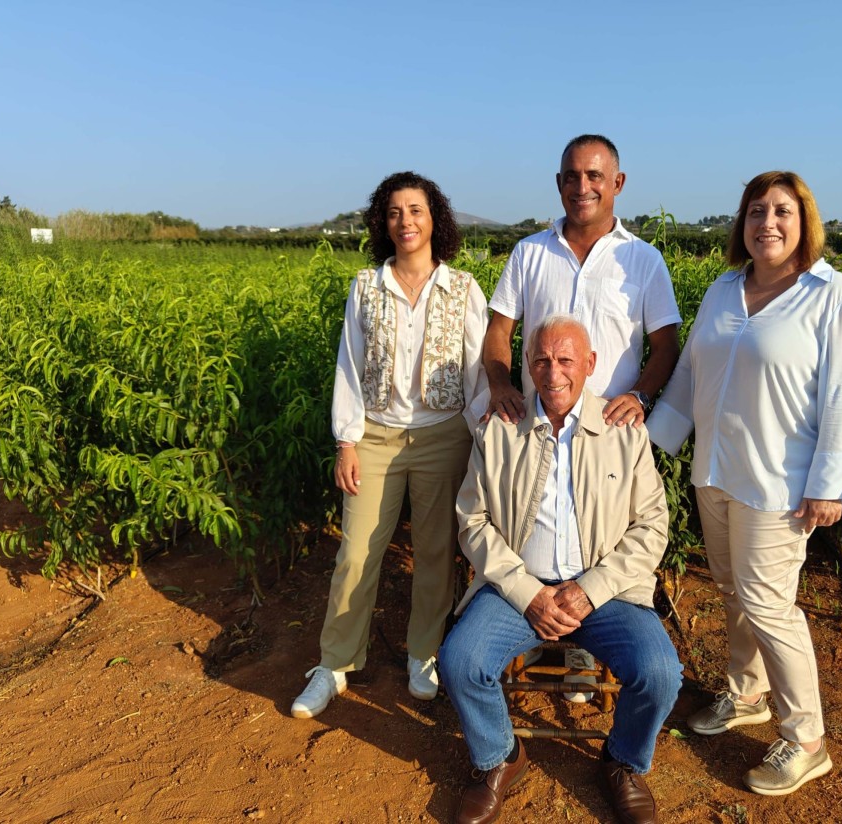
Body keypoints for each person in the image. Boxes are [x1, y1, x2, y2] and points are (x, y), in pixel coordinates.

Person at [646, 171, 842, 796]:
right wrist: (647, 447)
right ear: (740, 225)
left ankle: (806, 738)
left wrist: (829, 483)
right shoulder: (724, 291)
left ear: (804, 222)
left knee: (769, 605)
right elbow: (690, 377)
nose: (767, 224)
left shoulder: (832, 297)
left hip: (781, 484)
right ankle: (746, 694)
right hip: (716, 474)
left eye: (781, 212)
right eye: (755, 212)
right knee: (730, 589)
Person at [440, 316, 682, 824]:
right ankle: (500, 759)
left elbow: (651, 527)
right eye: (543, 360)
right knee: (460, 661)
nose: (554, 373)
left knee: (660, 674)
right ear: (527, 366)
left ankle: (622, 763)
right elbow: (473, 520)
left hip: (605, 592)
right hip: (517, 591)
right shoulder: (500, 427)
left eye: (567, 359)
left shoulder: (624, 432)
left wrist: (590, 590)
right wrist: (527, 591)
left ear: (590, 365)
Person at [482, 133, 682, 698]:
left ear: (617, 184)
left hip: (610, 438)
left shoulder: (641, 260)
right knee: (536, 534)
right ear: (559, 184)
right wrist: (500, 383)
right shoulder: (530, 252)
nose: (583, 186)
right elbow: (500, 331)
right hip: (536, 428)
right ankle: (525, 637)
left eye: (596, 176)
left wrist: (639, 396)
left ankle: (584, 649)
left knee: (596, 545)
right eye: (572, 176)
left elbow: (666, 345)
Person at [291, 171, 488, 718]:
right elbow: (348, 367)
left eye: (416, 211)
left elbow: (478, 374)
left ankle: (423, 654)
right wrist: (346, 441)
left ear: (435, 219)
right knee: (356, 552)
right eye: (396, 212)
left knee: (434, 554)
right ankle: (333, 664)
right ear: (384, 222)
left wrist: (481, 442)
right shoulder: (365, 286)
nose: (406, 221)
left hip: (444, 434)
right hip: (375, 435)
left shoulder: (464, 288)